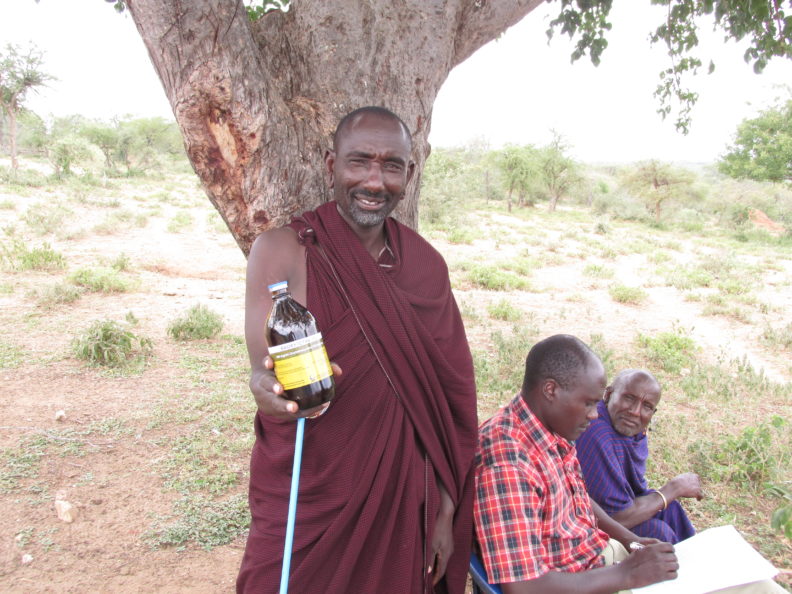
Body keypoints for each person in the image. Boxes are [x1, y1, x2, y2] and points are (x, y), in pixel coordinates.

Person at [236, 106, 478, 593]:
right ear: (331, 166)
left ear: (409, 174)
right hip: (309, 490)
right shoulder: (283, 251)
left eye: (391, 165)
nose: (374, 180)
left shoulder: (426, 268)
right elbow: (265, 370)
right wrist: (265, 388)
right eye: (359, 161)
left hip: (402, 498)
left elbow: (449, 406)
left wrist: (444, 509)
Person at [474, 334, 680, 593]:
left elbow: (577, 497)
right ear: (551, 390)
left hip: (597, 560)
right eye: (589, 403)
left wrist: (630, 540)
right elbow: (523, 586)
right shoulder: (508, 465)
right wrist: (627, 574)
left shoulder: (550, 426)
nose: (595, 415)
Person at [576, 369, 699, 544]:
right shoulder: (597, 432)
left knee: (670, 509)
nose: (635, 412)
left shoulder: (629, 431)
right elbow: (614, 519)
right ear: (608, 395)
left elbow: (633, 497)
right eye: (629, 398)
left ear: (653, 413)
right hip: (587, 525)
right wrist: (673, 489)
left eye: (647, 406)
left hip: (617, 516)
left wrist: (667, 496)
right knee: (657, 533)